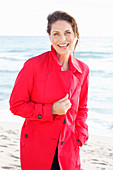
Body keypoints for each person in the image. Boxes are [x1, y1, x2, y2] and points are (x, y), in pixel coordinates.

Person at [9, 11, 89, 170]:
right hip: (38, 146)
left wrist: (81, 135)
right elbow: (16, 105)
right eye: (56, 34)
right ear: (49, 37)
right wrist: (51, 110)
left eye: (67, 33)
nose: (62, 39)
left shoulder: (83, 70)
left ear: (75, 35)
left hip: (68, 148)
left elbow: (82, 108)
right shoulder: (33, 66)